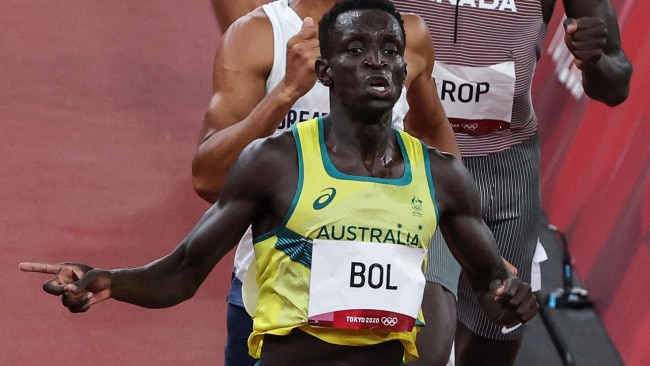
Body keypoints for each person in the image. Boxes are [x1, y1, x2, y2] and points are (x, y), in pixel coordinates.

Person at [20, 1, 538, 364]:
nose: (376, 61)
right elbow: (192, 232)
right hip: (268, 304)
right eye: (356, 50)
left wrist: (502, 286)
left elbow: (492, 286)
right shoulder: (273, 153)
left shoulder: (439, 172)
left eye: (389, 52)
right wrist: (112, 280)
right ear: (326, 69)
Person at [196, 0, 461, 365]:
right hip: (275, 290)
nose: (377, 58)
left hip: (383, 292)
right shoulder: (258, 35)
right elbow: (209, 178)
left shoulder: (404, 34)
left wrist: (468, 237)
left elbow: (431, 132)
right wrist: (287, 91)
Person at [386, 1, 632, 365]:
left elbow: (616, 83)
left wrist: (594, 61)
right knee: (427, 327)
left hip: (504, 167)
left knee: (500, 325)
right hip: (406, 159)